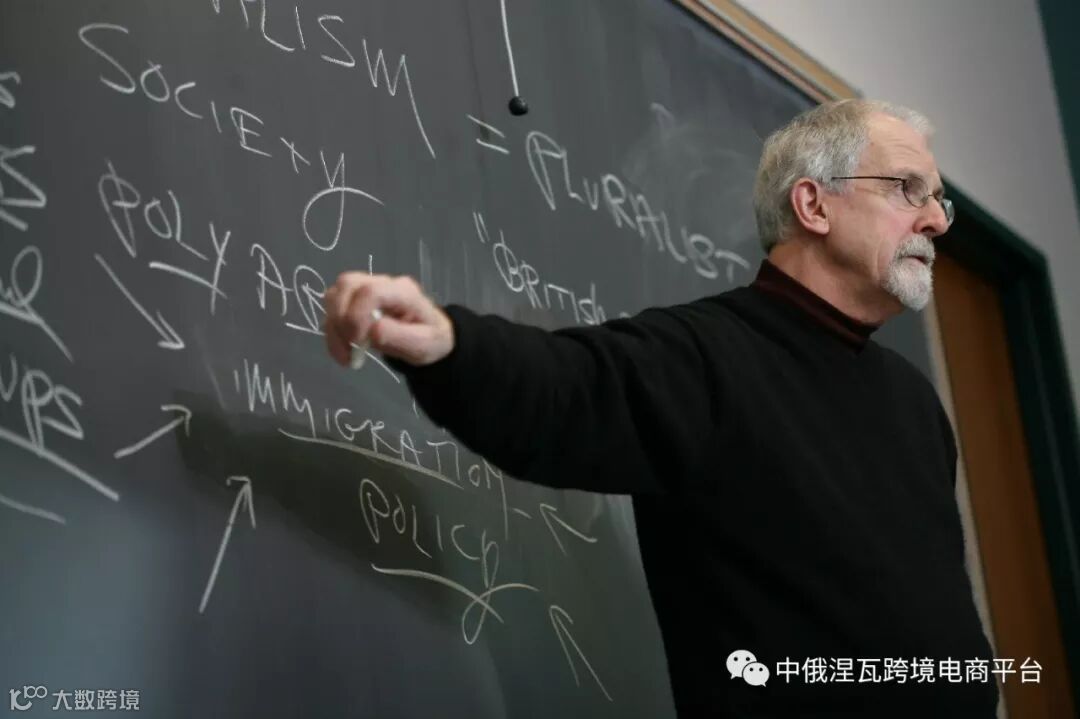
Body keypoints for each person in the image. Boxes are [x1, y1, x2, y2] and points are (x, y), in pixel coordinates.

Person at [322, 99, 1000, 716]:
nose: (937, 220)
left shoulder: (914, 403)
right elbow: (568, 388)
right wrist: (450, 347)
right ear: (814, 205)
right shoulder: (705, 358)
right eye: (908, 189)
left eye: (939, 199)